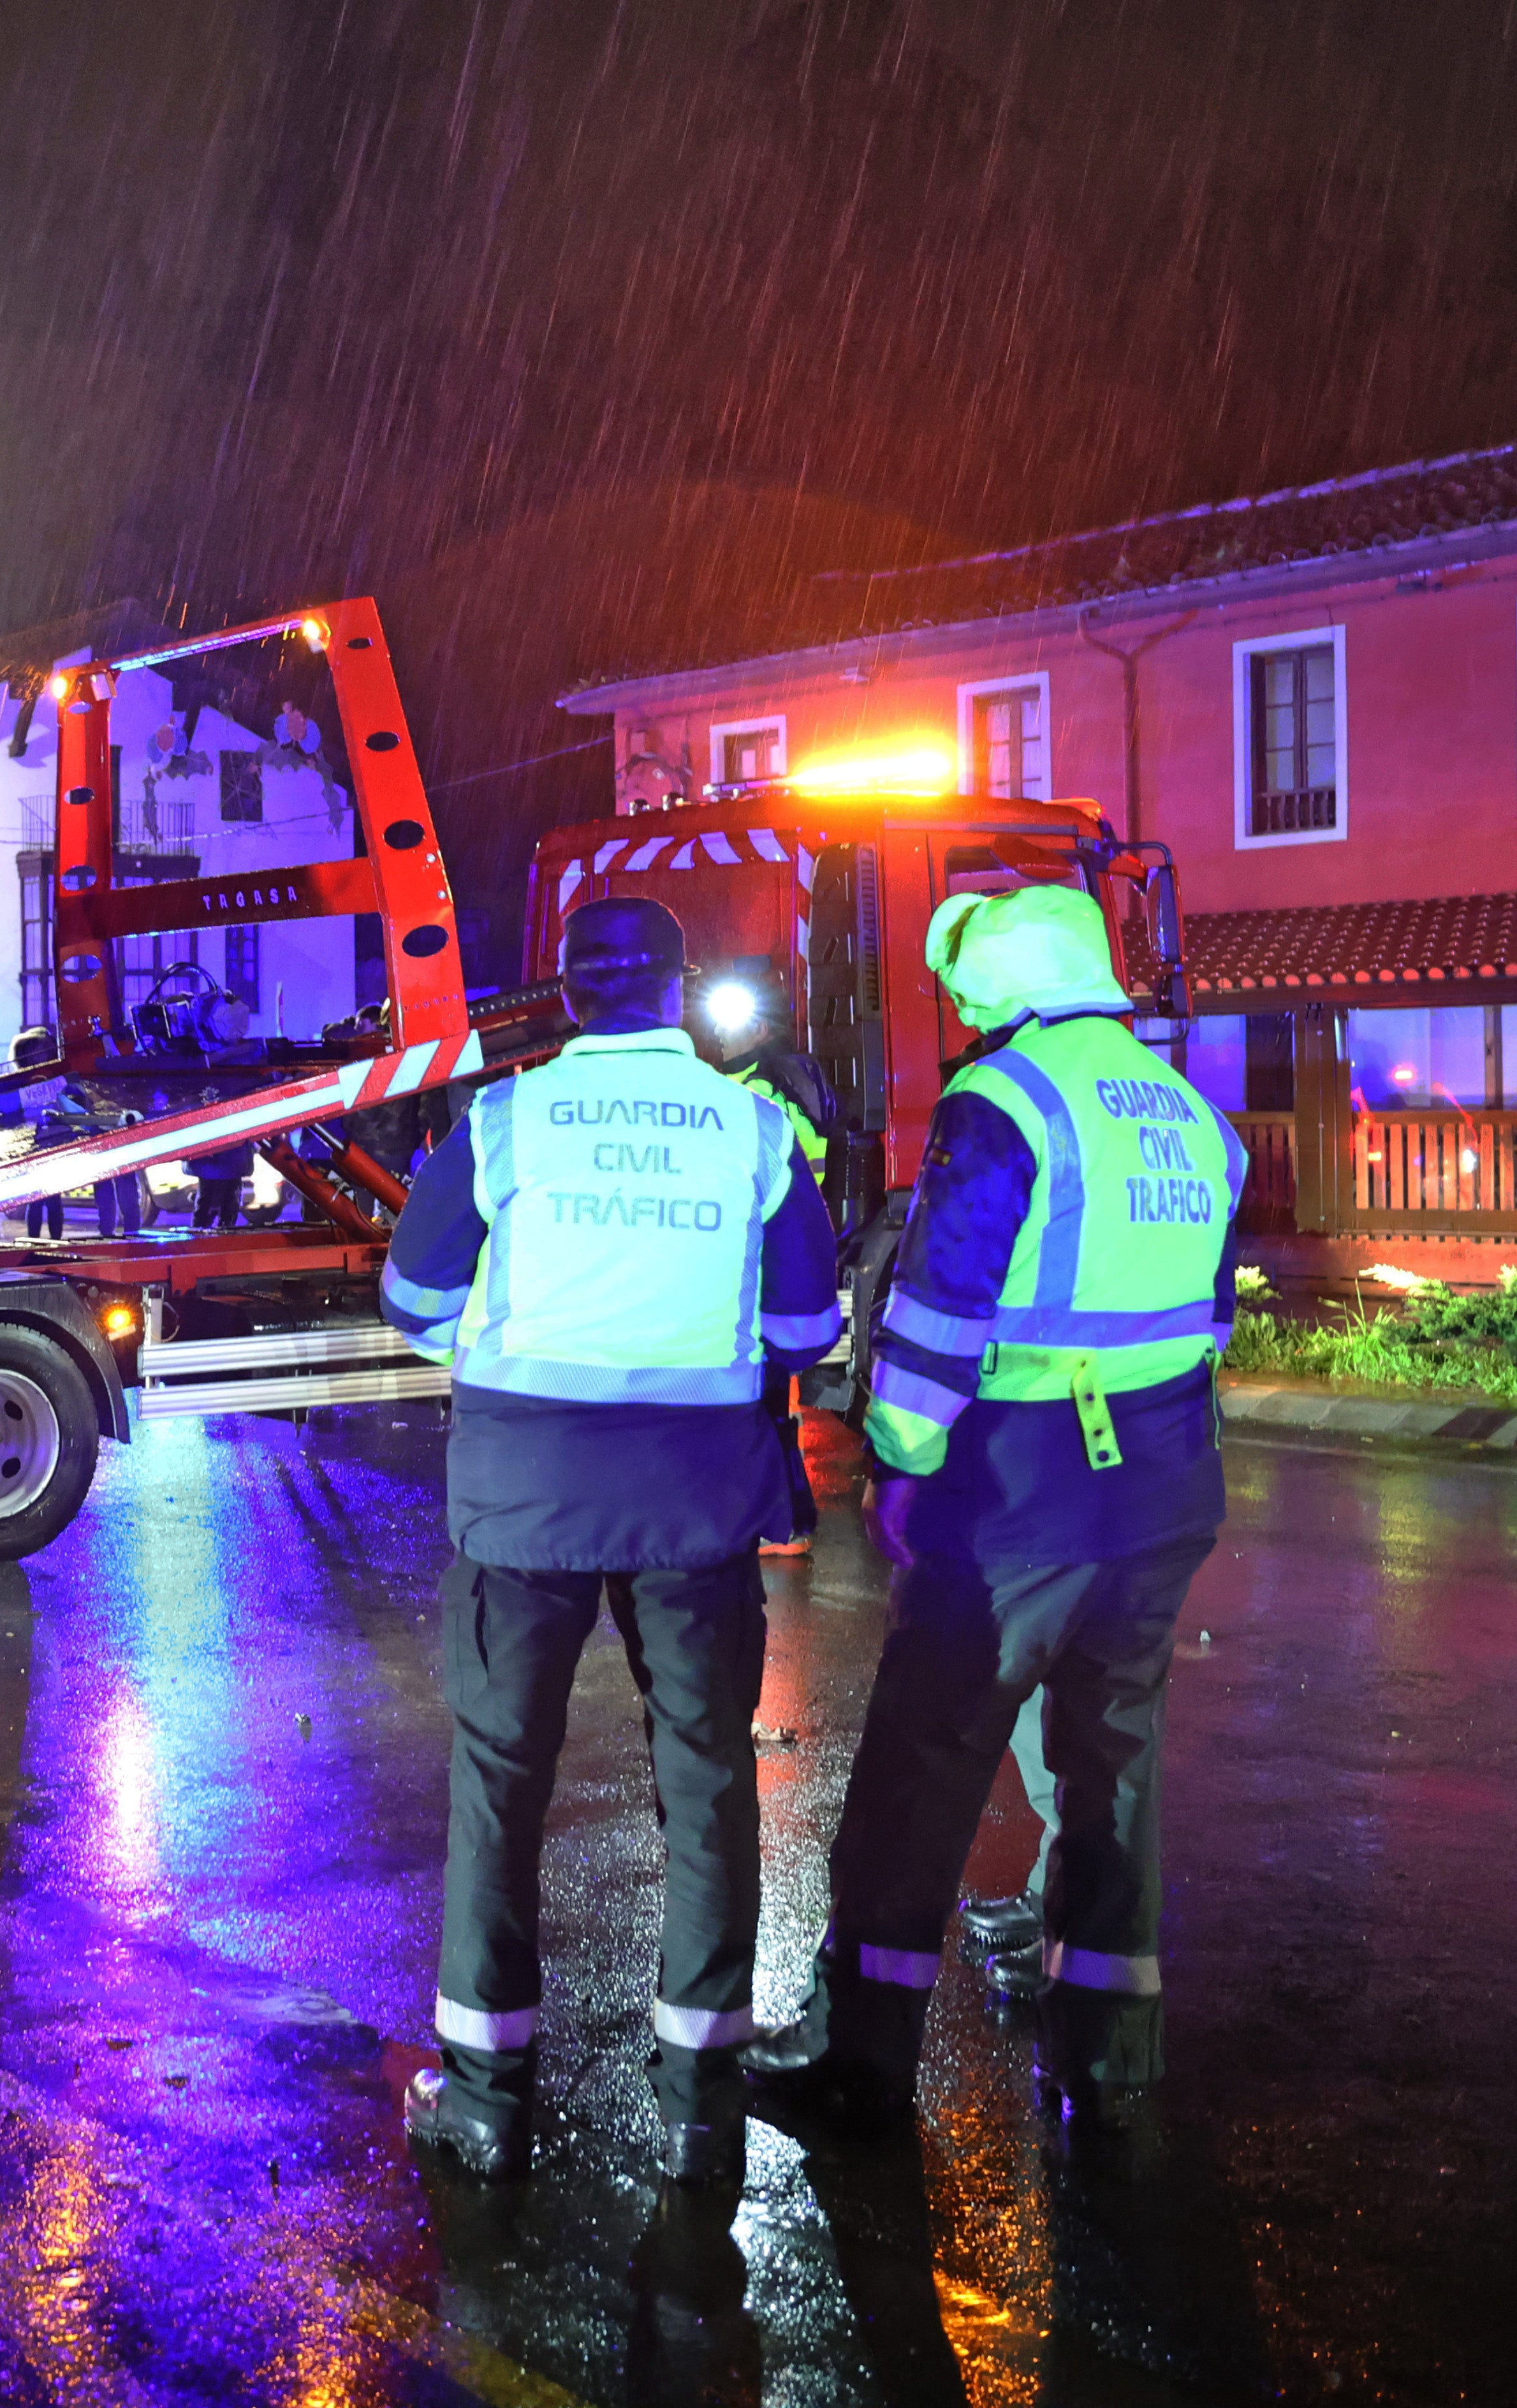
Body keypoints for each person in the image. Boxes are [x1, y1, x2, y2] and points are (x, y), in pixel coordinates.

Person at [746, 884, 1243, 2135]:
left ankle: (856, 2058)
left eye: (969, 996)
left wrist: (900, 1461)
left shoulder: (1005, 1100)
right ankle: (1111, 2045)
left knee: (922, 1771)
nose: (963, 1020)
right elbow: (1207, 1319)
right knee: (1112, 1770)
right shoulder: (1188, 1109)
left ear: (1003, 991)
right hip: (1168, 1473)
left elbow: (935, 1319)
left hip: (1025, 1482)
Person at [380, 897, 844, 2186]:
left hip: (524, 1490)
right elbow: (809, 1327)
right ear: (679, 989)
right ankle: (700, 2100)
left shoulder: (505, 1119)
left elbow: (415, 1301)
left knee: (499, 1778)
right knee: (704, 1779)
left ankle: (482, 2095)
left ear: (568, 992)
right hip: (695, 1498)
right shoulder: (753, 1129)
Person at [706, 972, 839, 1558]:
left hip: (752, 1264)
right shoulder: (752, 1085)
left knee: (757, 1404)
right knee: (763, 1402)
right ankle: (784, 1520)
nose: (718, 1031)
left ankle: (782, 1523)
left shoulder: (762, 1092)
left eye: (731, 1021)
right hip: (760, 1261)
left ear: (761, 1027)